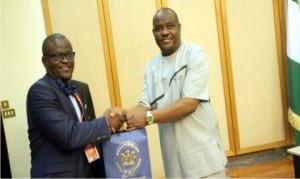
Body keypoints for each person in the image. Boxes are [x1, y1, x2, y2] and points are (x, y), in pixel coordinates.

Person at [126, 8, 228, 178]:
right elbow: (144, 105)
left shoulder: (195, 55)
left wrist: (148, 118)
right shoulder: (151, 66)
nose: (165, 32)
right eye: (159, 28)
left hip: (204, 160)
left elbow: (188, 104)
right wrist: (118, 117)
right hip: (173, 163)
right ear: (153, 33)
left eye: (170, 26)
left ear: (179, 28)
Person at [26, 33, 124, 178]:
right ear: (44, 61)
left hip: (86, 172)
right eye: (58, 56)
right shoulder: (39, 92)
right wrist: (106, 123)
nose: (66, 61)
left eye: (69, 55)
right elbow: (69, 136)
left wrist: (113, 127)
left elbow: (88, 132)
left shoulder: (81, 88)